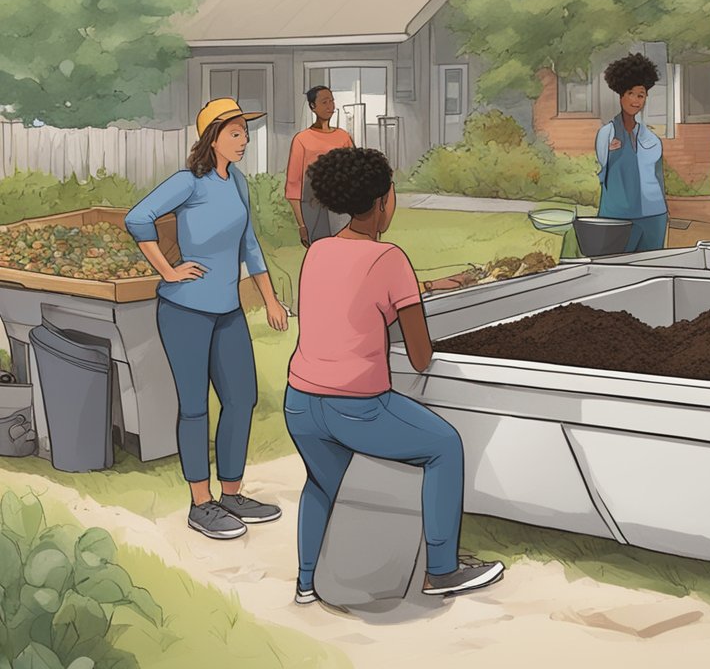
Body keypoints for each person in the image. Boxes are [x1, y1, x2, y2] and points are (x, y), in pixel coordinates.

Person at [283, 146, 505, 604]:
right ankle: (441, 570)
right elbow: (421, 356)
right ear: (384, 201)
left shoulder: (320, 251)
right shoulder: (391, 258)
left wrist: (421, 287)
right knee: (443, 446)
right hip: (358, 407)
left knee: (324, 482)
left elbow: (350, 299)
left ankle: (307, 581)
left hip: (300, 402)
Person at [125, 98, 289, 540]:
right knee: (195, 407)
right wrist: (168, 270)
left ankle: (232, 494)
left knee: (242, 399)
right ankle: (202, 503)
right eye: (235, 133)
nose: (244, 141)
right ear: (211, 138)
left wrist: (270, 300)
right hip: (184, 311)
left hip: (228, 310)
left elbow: (249, 243)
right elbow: (137, 217)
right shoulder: (188, 182)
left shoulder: (236, 181)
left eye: (245, 133)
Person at [595, 53, 667, 252]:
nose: (636, 100)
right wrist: (613, 153)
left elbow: (659, 178)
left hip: (654, 217)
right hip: (617, 216)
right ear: (621, 95)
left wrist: (664, 212)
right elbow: (603, 171)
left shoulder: (652, 139)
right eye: (630, 93)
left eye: (641, 95)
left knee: (652, 270)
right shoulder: (606, 134)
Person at [285, 86, 355, 248]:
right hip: (312, 207)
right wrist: (302, 225)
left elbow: (354, 175)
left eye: (331, 101)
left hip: (341, 206)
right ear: (312, 106)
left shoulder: (343, 137)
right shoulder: (302, 139)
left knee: (345, 251)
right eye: (324, 102)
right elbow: (293, 185)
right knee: (320, 252)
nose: (330, 106)